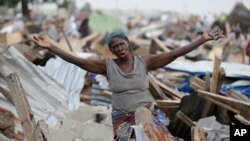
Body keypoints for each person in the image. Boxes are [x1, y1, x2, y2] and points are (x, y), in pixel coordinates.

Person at [30, 30, 223, 141]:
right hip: (122, 116)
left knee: (160, 138)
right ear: (111, 50)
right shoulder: (107, 66)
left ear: (127, 44)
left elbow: (173, 54)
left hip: (147, 112)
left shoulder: (144, 62)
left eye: (122, 44)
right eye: (115, 47)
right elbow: (78, 61)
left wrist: (203, 39)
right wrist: (52, 46)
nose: (120, 49)